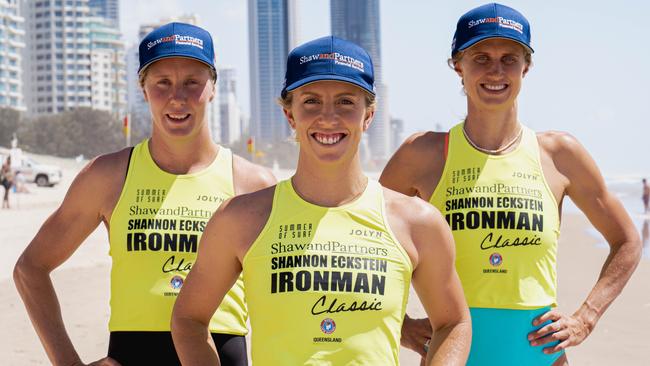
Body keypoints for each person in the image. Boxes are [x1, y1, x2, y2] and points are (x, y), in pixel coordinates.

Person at [171, 36, 471, 365]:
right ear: (290, 115)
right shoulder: (241, 218)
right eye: (311, 101)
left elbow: (453, 322)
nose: (328, 118)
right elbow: (188, 319)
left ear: (368, 115)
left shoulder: (417, 222)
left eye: (345, 102)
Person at [382, 3, 641, 366]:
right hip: (452, 354)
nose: (495, 70)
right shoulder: (423, 154)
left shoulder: (559, 154)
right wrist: (401, 323)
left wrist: (586, 316)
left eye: (509, 58)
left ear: (527, 66)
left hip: (538, 355)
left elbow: (627, 240)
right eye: (481, 57)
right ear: (458, 65)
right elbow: (367, 243)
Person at [13, 22, 274, 366]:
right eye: (162, 83)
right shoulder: (108, 176)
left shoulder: (252, 184)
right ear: (143, 88)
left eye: (192, 82)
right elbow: (30, 268)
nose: (177, 97)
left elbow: (290, 298)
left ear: (212, 87)